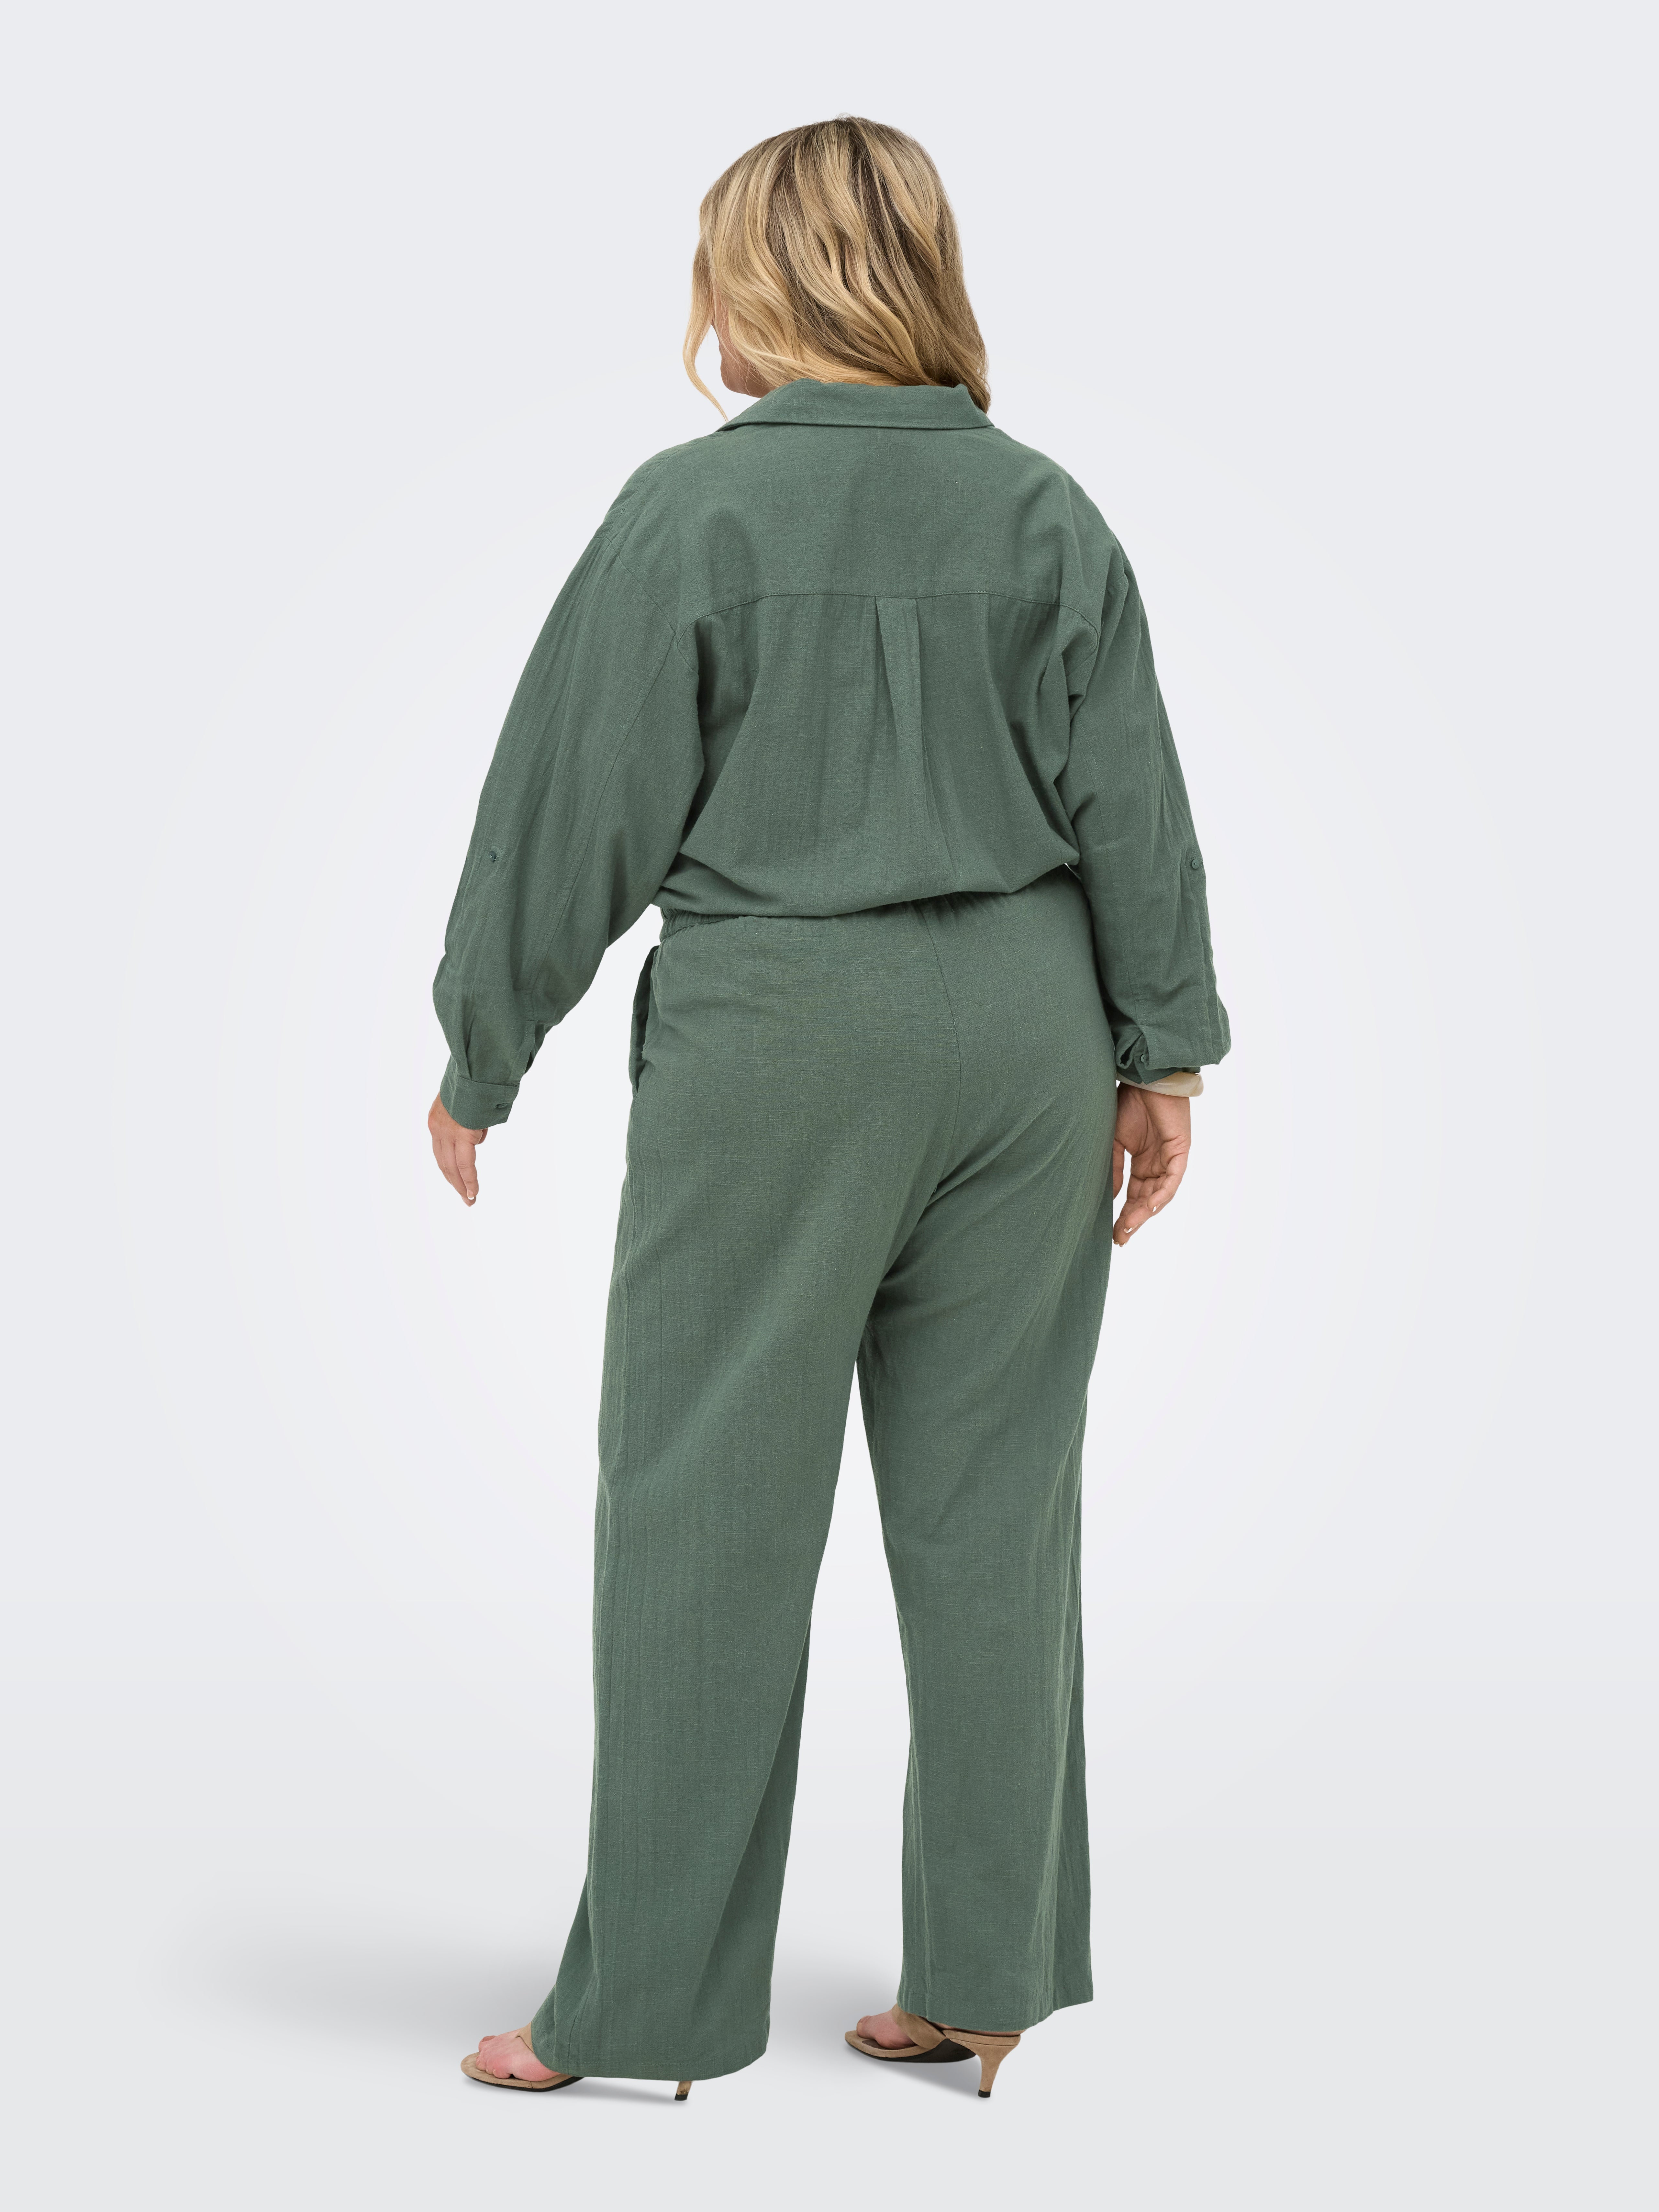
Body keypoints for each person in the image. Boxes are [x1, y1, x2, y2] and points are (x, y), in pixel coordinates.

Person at [429, 116, 1228, 2103]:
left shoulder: (691, 515)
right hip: (1030, 1030)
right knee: (994, 1515)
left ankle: (647, 2008)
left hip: (784, 1026)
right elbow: (1132, 798)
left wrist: (482, 1043)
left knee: (706, 1504)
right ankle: (987, 1978)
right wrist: (1161, 1051)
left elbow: (572, 800)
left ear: (757, 280)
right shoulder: (1043, 510)